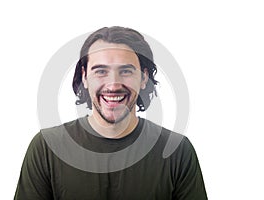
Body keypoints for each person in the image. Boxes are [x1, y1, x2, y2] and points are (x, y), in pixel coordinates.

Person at [14, 26, 207, 199]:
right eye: (100, 71)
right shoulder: (46, 148)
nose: (113, 85)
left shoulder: (177, 150)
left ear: (143, 78)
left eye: (126, 71)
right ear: (85, 77)